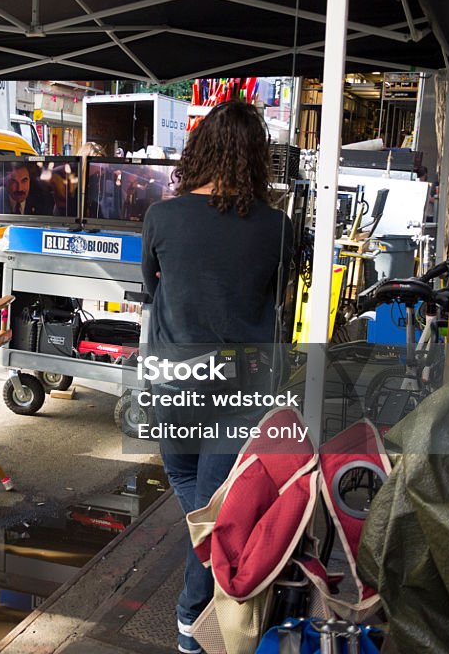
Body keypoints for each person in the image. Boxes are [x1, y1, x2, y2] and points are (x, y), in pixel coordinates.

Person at [141, 101, 292, 654]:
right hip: (241, 390)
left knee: (195, 494)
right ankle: (192, 619)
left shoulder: (162, 216)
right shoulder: (278, 227)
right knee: (216, 512)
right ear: (258, 159)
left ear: (199, 150)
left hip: (172, 384)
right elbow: (279, 303)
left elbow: (151, 293)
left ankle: (191, 621)